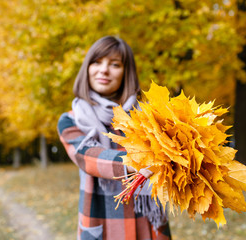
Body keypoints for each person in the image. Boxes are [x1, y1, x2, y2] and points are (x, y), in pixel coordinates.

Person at [57, 36, 171, 240]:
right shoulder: (71, 120)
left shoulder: (148, 119)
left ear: (126, 73)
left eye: (115, 64)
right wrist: (136, 163)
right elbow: (87, 156)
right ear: (87, 68)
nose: (104, 70)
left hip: (148, 222)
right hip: (101, 222)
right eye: (97, 62)